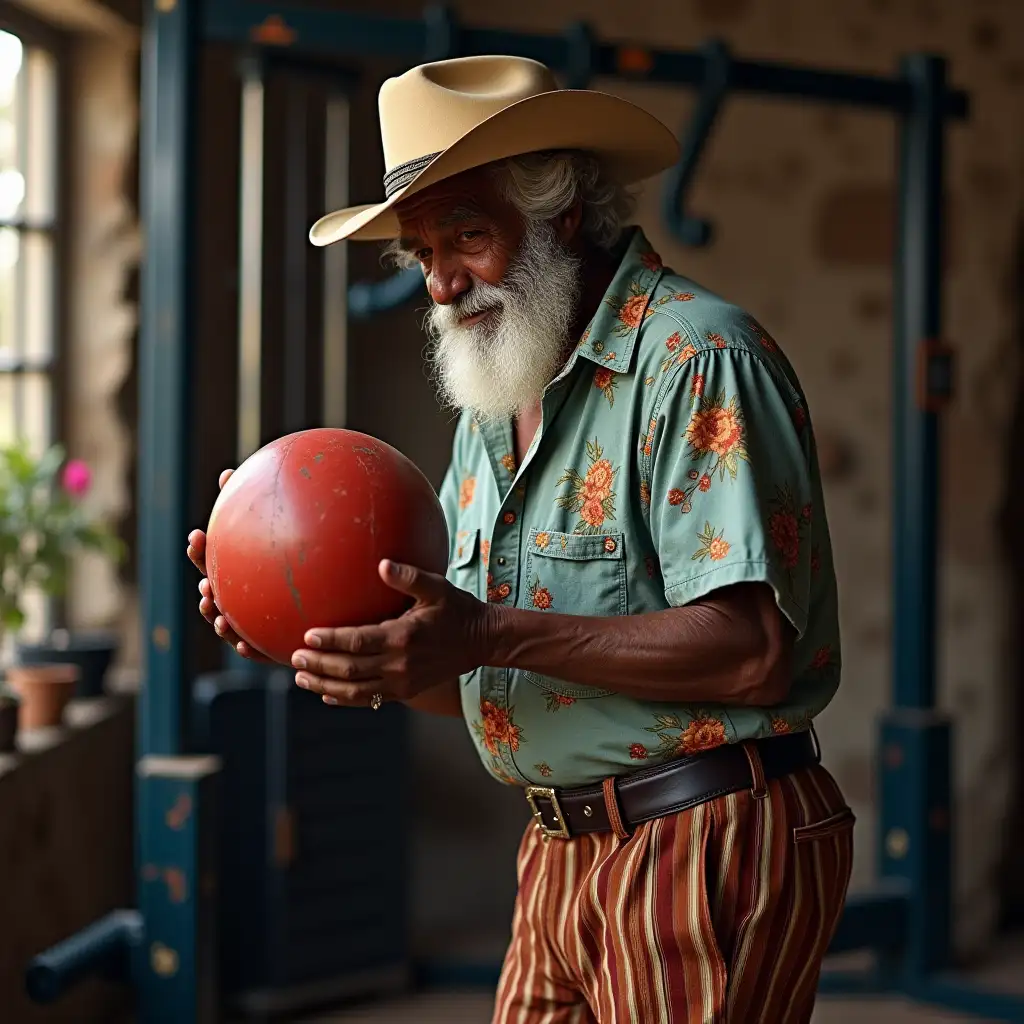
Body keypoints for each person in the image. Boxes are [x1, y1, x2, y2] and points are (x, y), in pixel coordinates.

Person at [187, 55, 853, 1024]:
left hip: (705, 835)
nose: (443, 283)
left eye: (468, 235)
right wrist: (322, 641)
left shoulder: (697, 360)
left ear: (563, 214)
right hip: (557, 848)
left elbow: (753, 654)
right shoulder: (493, 408)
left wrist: (488, 631)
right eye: (421, 252)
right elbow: (470, 674)